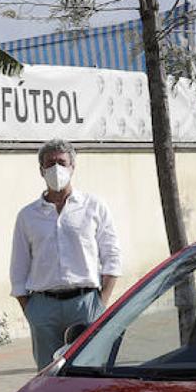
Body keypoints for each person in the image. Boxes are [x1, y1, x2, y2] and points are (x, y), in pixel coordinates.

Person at [9, 139, 123, 367]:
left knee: (90, 370)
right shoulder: (28, 215)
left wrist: (101, 302)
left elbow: (112, 256)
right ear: (41, 171)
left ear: (73, 167)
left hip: (85, 302)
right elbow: (18, 268)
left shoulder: (93, 206)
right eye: (49, 164)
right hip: (43, 306)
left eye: (61, 162)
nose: (56, 169)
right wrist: (32, 311)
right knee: (48, 374)